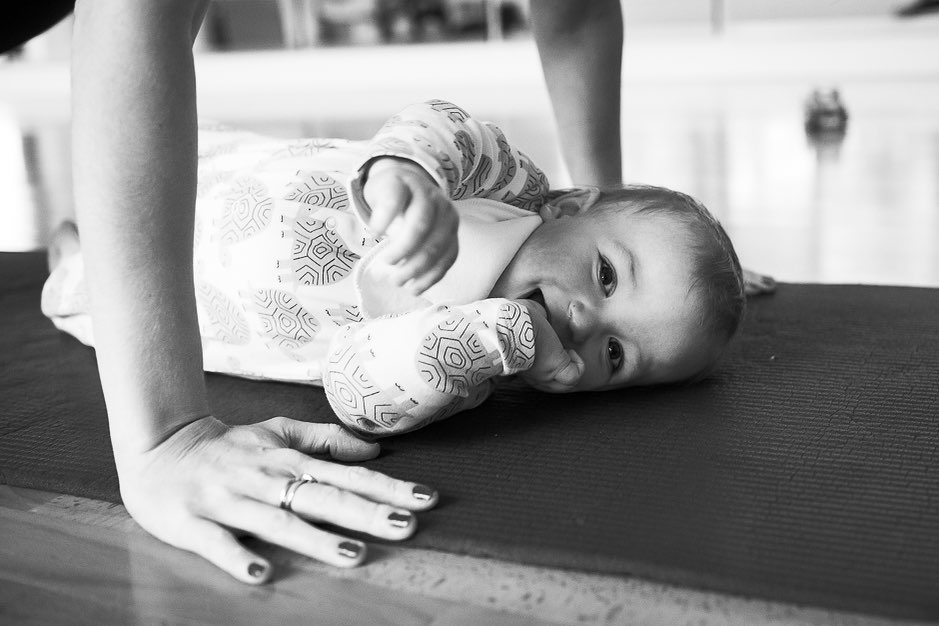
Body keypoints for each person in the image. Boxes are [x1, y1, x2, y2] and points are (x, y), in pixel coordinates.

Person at [44, 99, 745, 440]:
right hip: (214, 174)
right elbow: (447, 124)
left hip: (185, 308)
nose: (587, 323)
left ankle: (72, 257)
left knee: (90, 291)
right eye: (607, 277)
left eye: (615, 355)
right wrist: (406, 171)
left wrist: (500, 336)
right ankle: (92, 219)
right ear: (574, 206)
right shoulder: (508, 190)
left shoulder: (472, 382)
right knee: (129, 172)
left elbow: (359, 393)